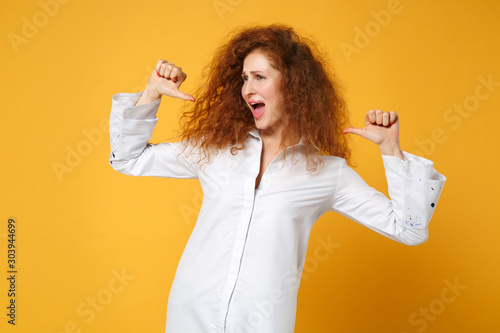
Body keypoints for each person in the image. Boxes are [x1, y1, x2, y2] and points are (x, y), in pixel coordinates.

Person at [109, 24, 446, 333]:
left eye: (259, 77)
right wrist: (152, 92)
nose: (247, 89)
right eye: (244, 78)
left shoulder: (326, 172)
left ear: (293, 84)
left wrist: (391, 150)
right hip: (191, 316)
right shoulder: (216, 150)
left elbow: (410, 230)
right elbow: (127, 158)